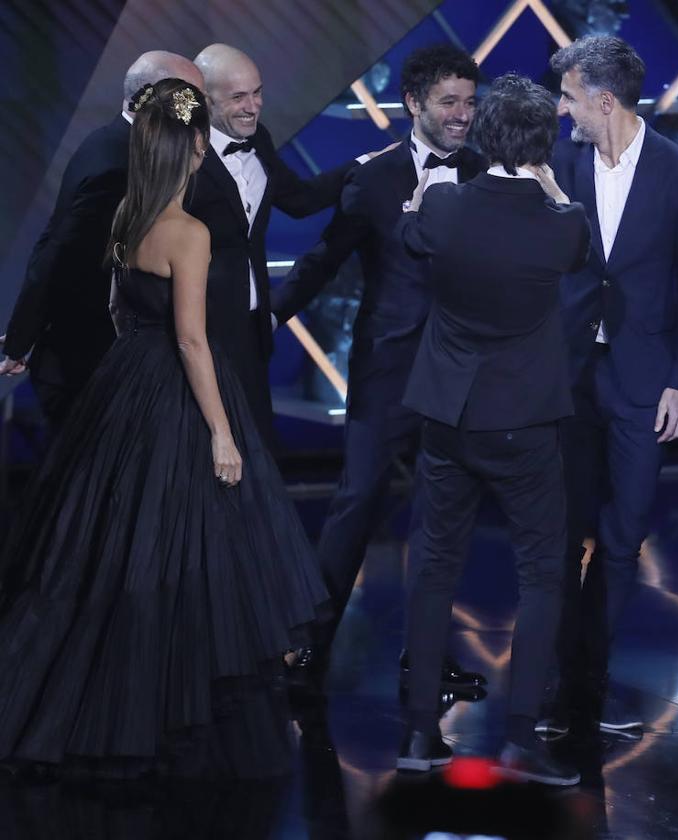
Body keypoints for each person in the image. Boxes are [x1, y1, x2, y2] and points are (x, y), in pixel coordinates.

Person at [0, 79, 327, 777]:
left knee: (116, 547)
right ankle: (182, 693)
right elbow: (192, 341)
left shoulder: (126, 215)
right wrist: (221, 431)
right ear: (195, 149)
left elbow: (122, 311)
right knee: (197, 546)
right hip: (180, 390)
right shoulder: (190, 232)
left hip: (124, 384)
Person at [392, 74, 590, 785]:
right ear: (544, 145)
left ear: (482, 134)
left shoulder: (447, 207)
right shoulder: (561, 222)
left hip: (448, 415)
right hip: (525, 421)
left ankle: (418, 734)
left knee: (435, 566)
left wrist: (421, 201)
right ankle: (518, 739)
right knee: (541, 574)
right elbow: (578, 243)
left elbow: (412, 233)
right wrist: (554, 186)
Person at [269, 44, 487, 691]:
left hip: (459, 372)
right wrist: (268, 316)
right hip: (386, 367)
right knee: (357, 500)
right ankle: (310, 646)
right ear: (413, 102)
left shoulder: (488, 175)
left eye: (470, 103)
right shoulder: (375, 177)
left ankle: (426, 659)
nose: (462, 115)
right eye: (449, 102)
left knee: (441, 517)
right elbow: (322, 260)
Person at [547, 35, 678, 734]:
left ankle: (590, 682)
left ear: (603, 100)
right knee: (559, 532)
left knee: (623, 536)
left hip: (645, 380)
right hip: (567, 375)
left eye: (568, 97)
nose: (562, 111)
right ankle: (556, 683)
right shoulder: (557, 162)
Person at [0, 52, 204, 431]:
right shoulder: (118, 161)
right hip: (90, 362)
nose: (196, 109)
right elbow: (61, 250)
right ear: (149, 95)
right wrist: (22, 337)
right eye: (187, 96)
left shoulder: (109, 141)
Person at [189, 44, 379, 443]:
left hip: (251, 332)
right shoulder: (182, 155)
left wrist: (362, 165)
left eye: (257, 93)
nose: (252, 106)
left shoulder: (258, 139)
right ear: (205, 100)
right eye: (238, 97)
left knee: (256, 455)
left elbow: (301, 200)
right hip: (199, 334)